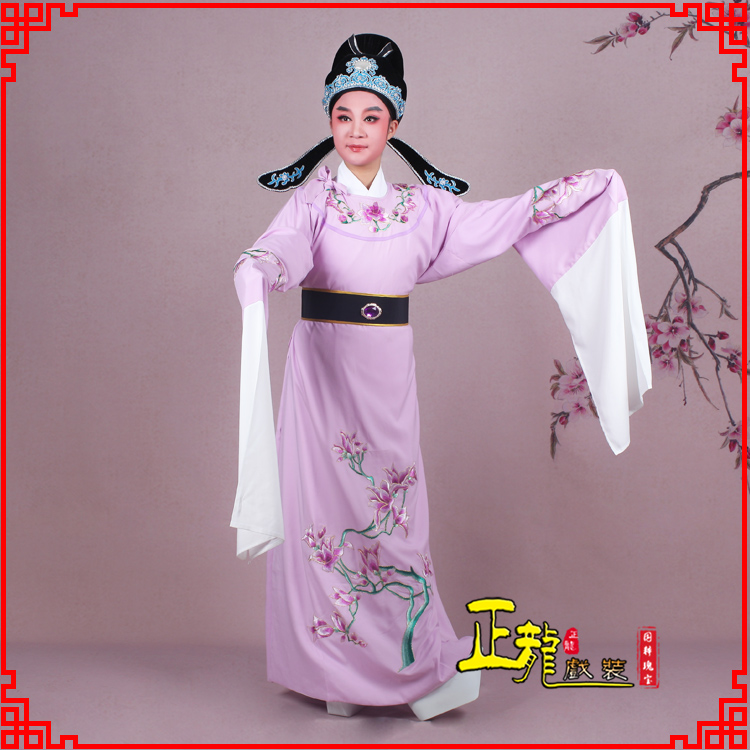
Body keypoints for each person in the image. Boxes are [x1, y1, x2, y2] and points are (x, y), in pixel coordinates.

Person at [230, 33, 651, 720]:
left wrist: (573, 194)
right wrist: (261, 267)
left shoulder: (423, 210)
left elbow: (500, 219)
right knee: (324, 523)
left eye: (371, 117)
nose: (356, 131)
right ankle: (340, 676)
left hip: (386, 378)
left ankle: (409, 666)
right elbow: (283, 248)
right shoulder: (313, 203)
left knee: (394, 523)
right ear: (329, 121)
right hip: (321, 381)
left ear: (394, 124)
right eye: (343, 116)